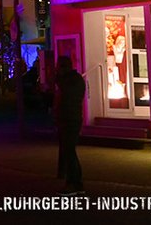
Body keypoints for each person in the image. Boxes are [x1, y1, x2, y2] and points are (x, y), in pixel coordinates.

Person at [55, 55, 86, 196]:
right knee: (69, 151)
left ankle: (74, 182)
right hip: (69, 118)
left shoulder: (71, 81)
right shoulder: (75, 79)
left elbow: (67, 95)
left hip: (70, 119)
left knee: (69, 152)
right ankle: (74, 182)